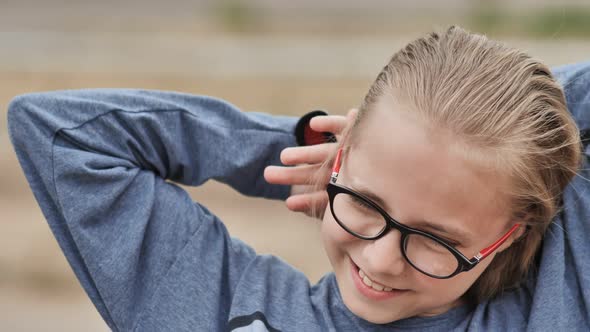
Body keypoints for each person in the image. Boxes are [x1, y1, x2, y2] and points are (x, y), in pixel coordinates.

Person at [7, 26, 590, 331]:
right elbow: (63, 133)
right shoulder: (219, 308)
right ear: (342, 157)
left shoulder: (560, 295)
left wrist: (521, 132)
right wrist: (300, 151)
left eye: (437, 240)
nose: (383, 261)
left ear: (509, 235)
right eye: (364, 201)